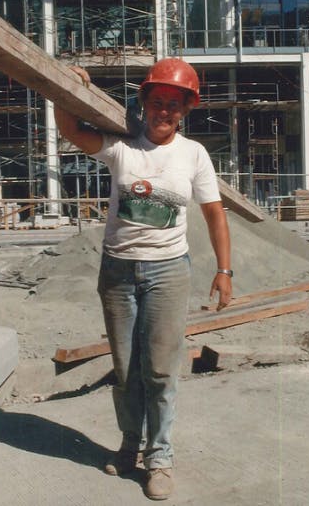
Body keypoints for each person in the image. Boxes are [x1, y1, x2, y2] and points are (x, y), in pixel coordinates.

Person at [54, 58, 232, 501]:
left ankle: (160, 458)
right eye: (157, 102)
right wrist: (64, 88)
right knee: (126, 369)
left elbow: (215, 214)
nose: (164, 111)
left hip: (168, 272)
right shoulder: (122, 149)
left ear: (185, 109)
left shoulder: (193, 155)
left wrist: (224, 270)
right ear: (144, 104)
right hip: (118, 272)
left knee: (161, 370)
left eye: (173, 104)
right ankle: (129, 445)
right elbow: (71, 130)